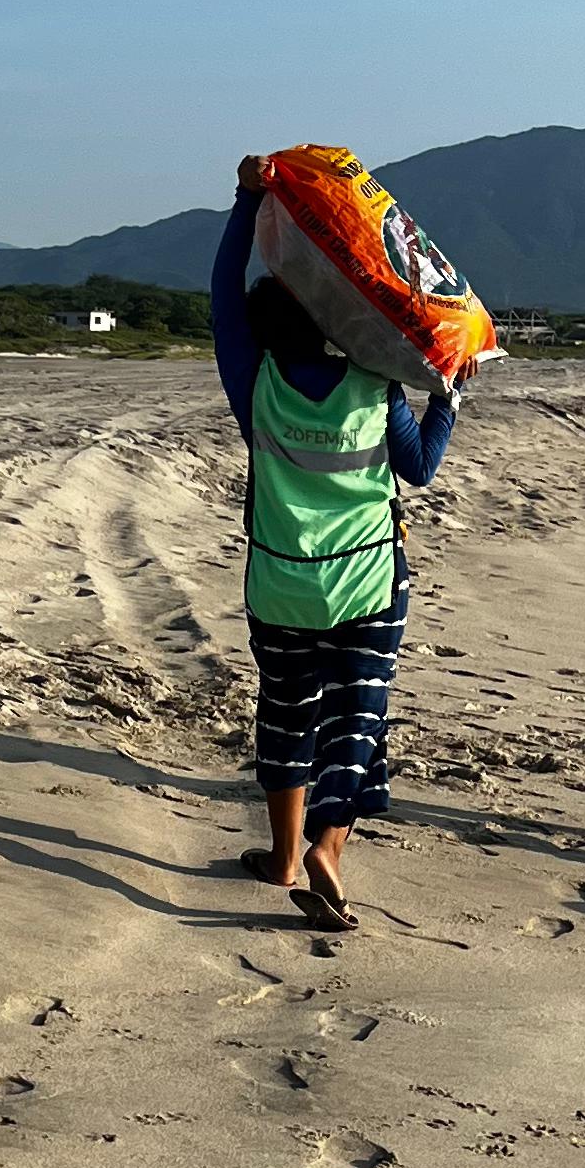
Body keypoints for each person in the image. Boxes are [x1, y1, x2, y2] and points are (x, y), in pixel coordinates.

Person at [211, 167, 460, 932]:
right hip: (369, 582)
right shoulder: (376, 386)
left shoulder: (253, 381)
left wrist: (249, 201)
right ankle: (328, 846)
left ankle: (283, 858)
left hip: (282, 583)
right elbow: (417, 470)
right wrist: (448, 399)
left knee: (286, 714)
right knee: (359, 719)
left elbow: (223, 291)